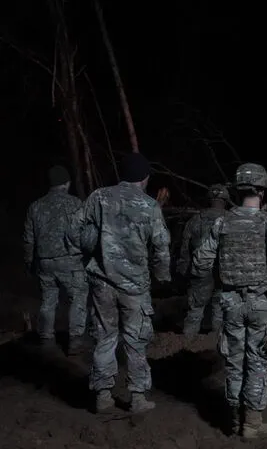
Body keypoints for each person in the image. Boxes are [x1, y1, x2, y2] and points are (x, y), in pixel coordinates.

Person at [192, 163, 267, 438]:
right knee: (259, 361)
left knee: (234, 361)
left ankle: (234, 421)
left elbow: (200, 261)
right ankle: (252, 424)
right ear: (262, 190)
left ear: (237, 191)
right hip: (261, 303)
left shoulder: (221, 222)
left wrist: (221, 276)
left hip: (230, 303)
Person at [79, 152, 171, 414]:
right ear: (144, 178)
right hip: (135, 287)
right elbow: (161, 246)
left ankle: (103, 395)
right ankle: (138, 398)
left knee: (104, 337)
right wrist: (162, 275)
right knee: (135, 339)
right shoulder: (149, 205)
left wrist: (93, 246)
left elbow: (76, 231)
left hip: (102, 283)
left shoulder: (98, 197)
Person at [22, 165, 88, 355]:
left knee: (48, 299)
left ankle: (46, 339)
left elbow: (28, 239)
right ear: (67, 183)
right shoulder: (76, 204)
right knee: (78, 297)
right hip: (71, 262)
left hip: (45, 263)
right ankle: (75, 339)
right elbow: (85, 234)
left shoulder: (35, 207)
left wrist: (29, 263)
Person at [178, 183, 229, 336]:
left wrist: (182, 270)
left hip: (200, 270)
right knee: (219, 310)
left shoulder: (195, 220)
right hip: (224, 271)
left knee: (195, 310)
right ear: (225, 199)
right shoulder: (232, 220)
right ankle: (215, 348)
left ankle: (186, 345)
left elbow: (185, 250)